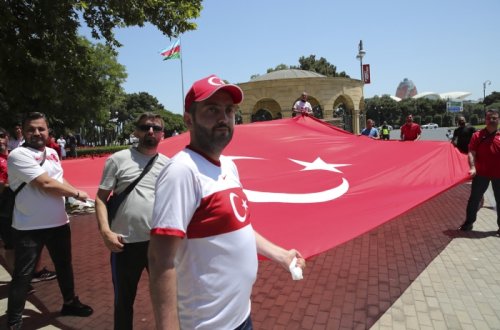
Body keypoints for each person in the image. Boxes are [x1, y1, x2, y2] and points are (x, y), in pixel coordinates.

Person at [148, 74, 306, 329]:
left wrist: (282, 255)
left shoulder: (229, 166)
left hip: (241, 318)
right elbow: (159, 260)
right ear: (189, 119)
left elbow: (239, 228)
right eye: (212, 110)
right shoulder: (181, 171)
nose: (223, 118)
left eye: (229, 110)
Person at [7, 112, 93, 329]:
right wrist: (76, 193)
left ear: (48, 131)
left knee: (64, 266)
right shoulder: (18, 155)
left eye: (41, 129)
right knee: (23, 274)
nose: (37, 133)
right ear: (23, 132)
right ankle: (14, 320)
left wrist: (73, 194)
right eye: (31, 129)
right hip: (29, 227)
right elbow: (44, 183)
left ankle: (70, 302)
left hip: (58, 222)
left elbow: (57, 178)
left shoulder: (53, 153)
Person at [95, 113, 169, 330]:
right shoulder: (118, 160)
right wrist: (106, 232)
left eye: (156, 128)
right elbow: (100, 199)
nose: (151, 132)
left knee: (165, 298)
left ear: (162, 135)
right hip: (124, 243)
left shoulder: (168, 165)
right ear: (136, 131)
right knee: (124, 300)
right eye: (145, 127)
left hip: (159, 244)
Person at [458, 109, 500, 234]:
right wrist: (472, 167)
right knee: (474, 199)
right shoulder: (477, 135)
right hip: (481, 174)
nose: (491, 120)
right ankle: (469, 223)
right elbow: (471, 153)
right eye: (489, 118)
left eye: (494, 118)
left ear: (498, 119)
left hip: (499, 175)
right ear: (485, 120)